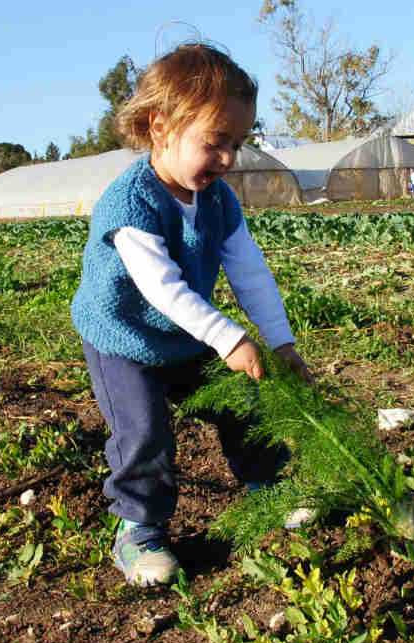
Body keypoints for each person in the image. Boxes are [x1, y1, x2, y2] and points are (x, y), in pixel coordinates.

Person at [71, 43, 312, 587]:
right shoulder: (130, 203)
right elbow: (162, 288)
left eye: (238, 143)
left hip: (183, 333)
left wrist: (279, 343)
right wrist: (229, 338)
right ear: (160, 127)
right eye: (216, 142)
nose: (228, 158)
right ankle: (139, 528)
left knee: (244, 401)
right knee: (145, 432)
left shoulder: (219, 200)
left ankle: (268, 490)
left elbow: (249, 272)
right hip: (123, 338)